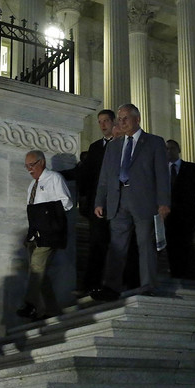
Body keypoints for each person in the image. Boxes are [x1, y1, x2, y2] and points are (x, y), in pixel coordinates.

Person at [91, 103, 170, 301]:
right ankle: (111, 287)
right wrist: (99, 201)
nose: (122, 122)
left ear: (137, 119)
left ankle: (148, 284)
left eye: (126, 118)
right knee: (117, 246)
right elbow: (105, 176)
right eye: (119, 118)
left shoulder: (154, 142)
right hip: (118, 200)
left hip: (144, 201)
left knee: (145, 244)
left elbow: (162, 174)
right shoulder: (114, 145)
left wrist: (163, 202)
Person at [60, 109, 115, 293]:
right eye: (100, 121)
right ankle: (92, 284)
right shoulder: (95, 147)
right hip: (98, 206)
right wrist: (59, 175)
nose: (102, 124)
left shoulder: (125, 144)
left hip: (120, 204)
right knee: (97, 244)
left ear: (114, 122)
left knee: (119, 245)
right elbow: (84, 172)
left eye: (106, 120)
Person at [19, 150, 74, 320]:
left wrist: (48, 215)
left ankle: (30, 305)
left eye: (32, 165)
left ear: (41, 162)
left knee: (36, 267)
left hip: (49, 233)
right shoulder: (31, 186)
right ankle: (51, 309)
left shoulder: (54, 178)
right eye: (26, 166)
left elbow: (67, 203)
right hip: (35, 235)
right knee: (40, 272)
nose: (29, 169)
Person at [164, 139, 195, 280]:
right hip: (169, 216)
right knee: (171, 246)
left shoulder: (191, 168)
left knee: (187, 244)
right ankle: (176, 274)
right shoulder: (162, 170)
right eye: (167, 149)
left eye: (172, 148)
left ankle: (190, 275)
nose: (169, 151)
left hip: (188, 216)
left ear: (178, 150)